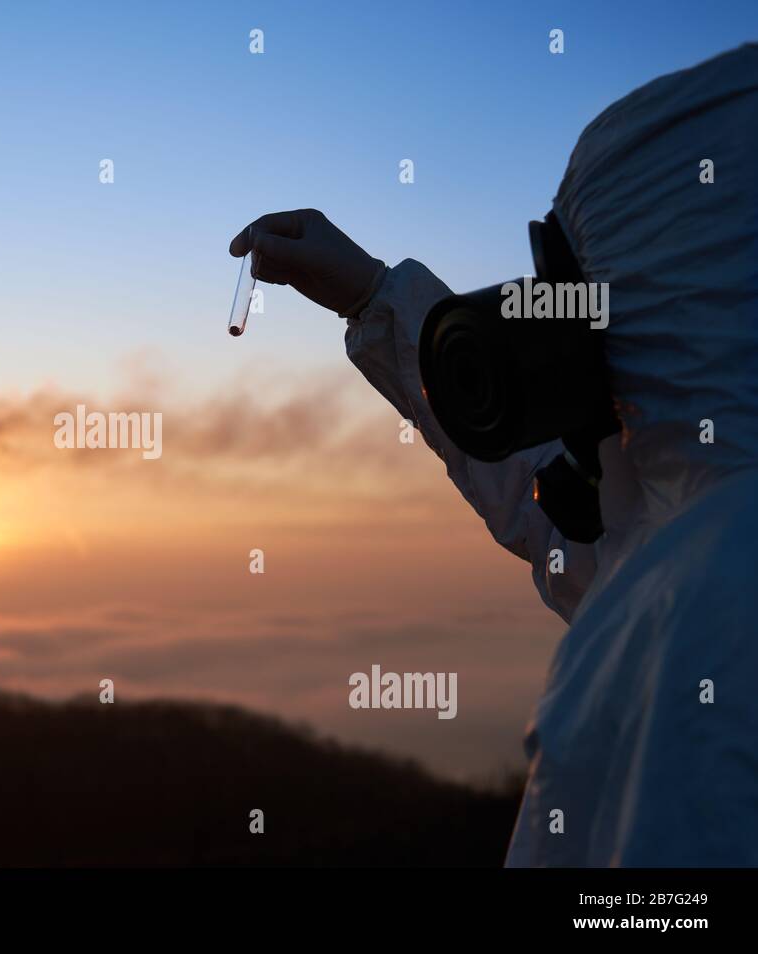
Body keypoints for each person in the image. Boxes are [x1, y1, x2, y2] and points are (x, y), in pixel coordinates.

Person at [230, 43, 758, 866]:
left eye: (569, 283)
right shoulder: (696, 528)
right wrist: (375, 296)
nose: (548, 316)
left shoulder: (703, 625)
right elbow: (576, 533)